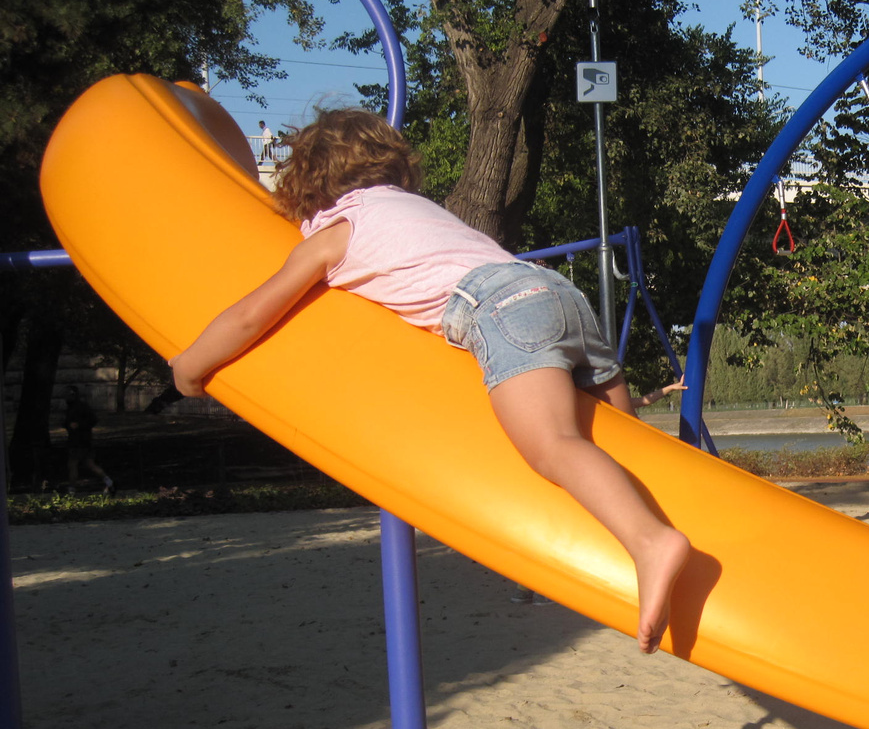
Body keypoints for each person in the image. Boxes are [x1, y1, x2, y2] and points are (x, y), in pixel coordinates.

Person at [169, 108, 689, 653]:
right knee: (625, 439)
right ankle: (675, 521)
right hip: (559, 294)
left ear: (308, 183)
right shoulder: (417, 208)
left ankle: (652, 542)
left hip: (504, 308)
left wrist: (190, 366)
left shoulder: (335, 234)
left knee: (554, 445)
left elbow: (254, 314)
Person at [61, 385, 114, 495]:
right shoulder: (72, 408)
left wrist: (78, 425)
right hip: (82, 440)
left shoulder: (80, 407)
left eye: (67, 394)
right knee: (90, 464)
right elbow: (66, 423)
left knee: (73, 464)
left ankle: (72, 489)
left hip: (78, 441)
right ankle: (109, 482)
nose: (65, 397)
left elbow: (92, 420)